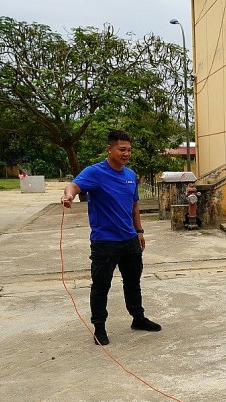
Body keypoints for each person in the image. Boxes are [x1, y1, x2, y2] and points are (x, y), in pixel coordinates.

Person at [61, 130, 161, 345]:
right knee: (101, 286)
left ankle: (138, 318)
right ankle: (99, 328)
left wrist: (139, 231)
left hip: (130, 240)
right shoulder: (95, 172)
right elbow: (74, 186)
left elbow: (134, 206)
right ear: (109, 149)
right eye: (122, 149)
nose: (126, 154)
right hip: (105, 242)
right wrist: (68, 195)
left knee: (133, 282)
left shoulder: (130, 175)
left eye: (129, 150)